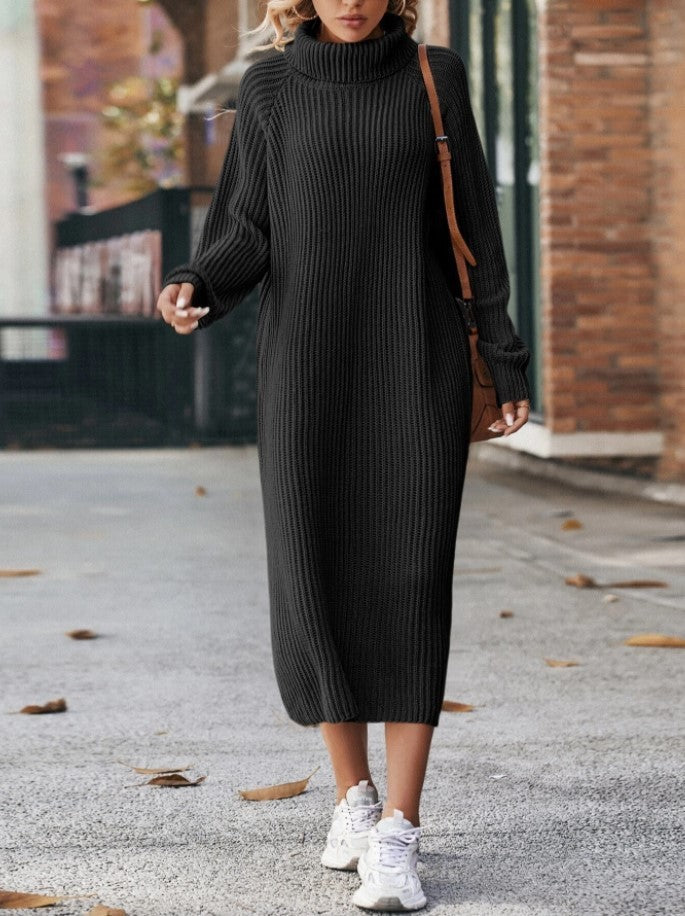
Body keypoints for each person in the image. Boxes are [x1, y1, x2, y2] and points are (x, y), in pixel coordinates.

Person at [157, 0, 531, 910]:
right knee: (312, 571)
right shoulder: (270, 88)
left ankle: (400, 828)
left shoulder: (433, 77)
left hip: (416, 360)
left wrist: (504, 355)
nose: (352, 1)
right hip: (305, 368)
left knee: (409, 578)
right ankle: (352, 799)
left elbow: (475, 229)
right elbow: (247, 225)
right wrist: (196, 281)